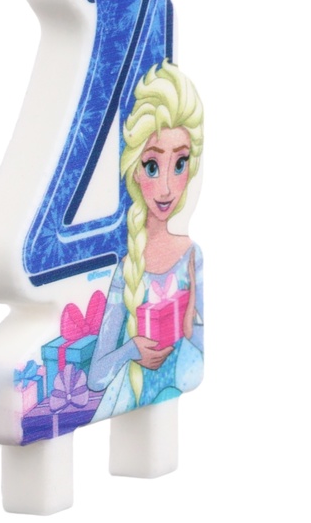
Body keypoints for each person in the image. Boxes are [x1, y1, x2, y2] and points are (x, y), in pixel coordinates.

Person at [88, 59, 205, 419]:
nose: (166, 188)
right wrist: (131, 349)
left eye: (180, 164)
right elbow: (95, 376)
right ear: (135, 171)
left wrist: (190, 317)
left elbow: (198, 349)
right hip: (129, 395)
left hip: (175, 390)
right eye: (152, 166)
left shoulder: (191, 256)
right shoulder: (126, 271)